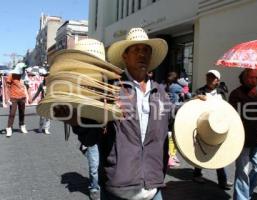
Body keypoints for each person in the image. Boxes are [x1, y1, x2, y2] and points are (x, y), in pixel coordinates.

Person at [54, 28, 171, 200]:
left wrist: (197, 109)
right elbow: (90, 139)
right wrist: (75, 121)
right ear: (125, 56)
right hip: (118, 189)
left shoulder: (161, 93)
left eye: (146, 50)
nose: (142, 54)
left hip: (154, 188)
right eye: (136, 50)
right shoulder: (110, 90)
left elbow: (172, 127)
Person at [229, 69, 257, 200]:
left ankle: (246, 192)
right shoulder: (236, 94)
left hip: (256, 139)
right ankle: (241, 197)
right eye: (251, 77)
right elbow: (236, 115)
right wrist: (252, 98)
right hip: (241, 139)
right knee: (242, 173)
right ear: (244, 78)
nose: (254, 80)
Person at [193, 69, 232, 190]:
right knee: (201, 149)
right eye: (208, 77)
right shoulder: (200, 91)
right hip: (204, 124)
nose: (210, 79)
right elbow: (192, 105)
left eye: (213, 77)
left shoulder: (221, 92)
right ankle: (197, 174)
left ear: (218, 80)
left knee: (218, 152)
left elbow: (226, 108)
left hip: (217, 125)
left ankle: (222, 180)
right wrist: (196, 98)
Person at [5, 62, 29, 137]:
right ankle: (9, 128)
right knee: (12, 113)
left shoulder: (24, 75)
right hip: (13, 97)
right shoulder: (11, 75)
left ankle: (22, 125)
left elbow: (26, 85)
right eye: (23, 68)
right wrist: (7, 98)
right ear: (19, 68)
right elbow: (7, 87)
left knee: (22, 113)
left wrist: (28, 96)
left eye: (24, 68)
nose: (24, 69)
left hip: (22, 97)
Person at [165, 71, 182, 167]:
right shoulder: (176, 86)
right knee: (173, 134)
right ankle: (172, 155)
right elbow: (187, 93)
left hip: (167, 110)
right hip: (174, 111)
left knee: (168, 133)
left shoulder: (166, 86)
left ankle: (170, 155)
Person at [29, 68, 51, 134]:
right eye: (46, 76)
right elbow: (37, 93)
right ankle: (40, 127)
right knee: (42, 117)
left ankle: (47, 129)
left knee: (48, 117)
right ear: (44, 78)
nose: (47, 78)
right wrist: (32, 99)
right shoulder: (42, 84)